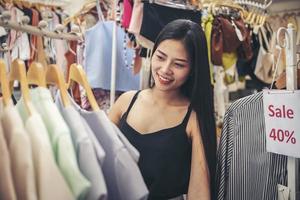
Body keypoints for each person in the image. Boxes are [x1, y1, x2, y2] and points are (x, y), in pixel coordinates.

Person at [109, 19, 216, 200]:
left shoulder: (194, 119)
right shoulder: (126, 102)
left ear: (192, 70)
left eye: (179, 64)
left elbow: (199, 192)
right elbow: (100, 161)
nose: (165, 69)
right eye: (160, 57)